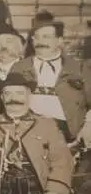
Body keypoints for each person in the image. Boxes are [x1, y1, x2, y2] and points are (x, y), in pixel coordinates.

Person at [0, 72, 73, 194]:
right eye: (8, 93)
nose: (13, 98)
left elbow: (62, 161)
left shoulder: (47, 125)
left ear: (29, 96)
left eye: (19, 93)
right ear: (2, 98)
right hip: (2, 193)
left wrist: (54, 191)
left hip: (40, 189)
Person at [10, 10, 91, 146]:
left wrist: (88, 126)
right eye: (36, 37)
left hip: (68, 134)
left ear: (59, 41)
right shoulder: (19, 68)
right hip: (28, 131)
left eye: (46, 37)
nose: (40, 42)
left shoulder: (78, 68)